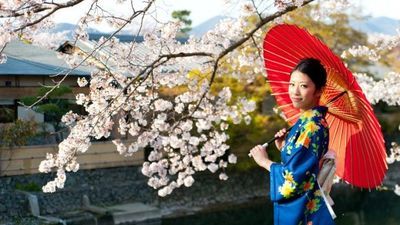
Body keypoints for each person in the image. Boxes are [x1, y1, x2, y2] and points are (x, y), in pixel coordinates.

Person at [250, 58, 335, 225]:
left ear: (319, 90)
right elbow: (302, 161)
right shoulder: (309, 122)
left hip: (303, 211)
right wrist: (284, 146)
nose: (295, 91)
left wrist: (264, 161)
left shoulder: (311, 126)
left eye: (303, 86)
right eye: (291, 84)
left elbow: (294, 178)